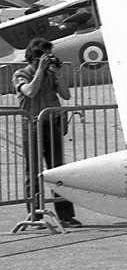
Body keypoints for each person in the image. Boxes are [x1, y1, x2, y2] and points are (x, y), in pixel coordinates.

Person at [13, 38, 78, 226]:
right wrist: (40, 71)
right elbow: (30, 92)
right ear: (35, 58)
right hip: (33, 125)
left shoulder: (51, 75)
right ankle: (34, 214)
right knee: (33, 170)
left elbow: (66, 95)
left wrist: (58, 75)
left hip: (52, 123)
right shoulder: (21, 74)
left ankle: (65, 214)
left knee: (58, 170)